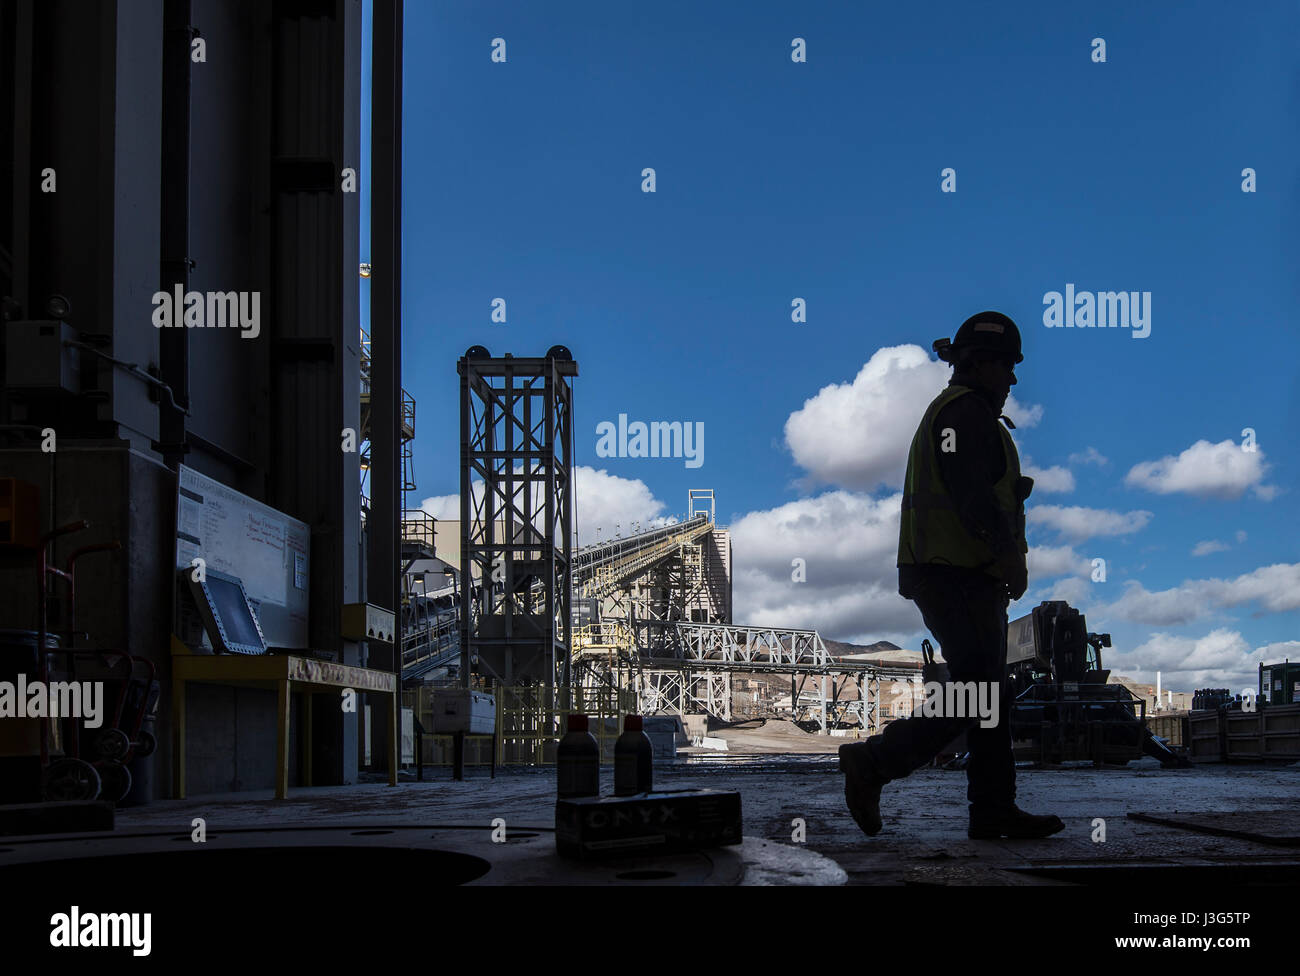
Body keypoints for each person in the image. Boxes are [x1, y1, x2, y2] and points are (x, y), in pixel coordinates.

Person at [839, 311, 1065, 840]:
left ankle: (990, 809)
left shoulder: (966, 416)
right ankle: (875, 761)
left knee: (986, 691)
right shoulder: (963, 416)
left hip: (959, 574)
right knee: (982, 692)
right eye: (1007, 366)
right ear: (979, 363)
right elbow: (971, 498)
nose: (1012, 380)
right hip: (954, 573)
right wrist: (1008, 557)